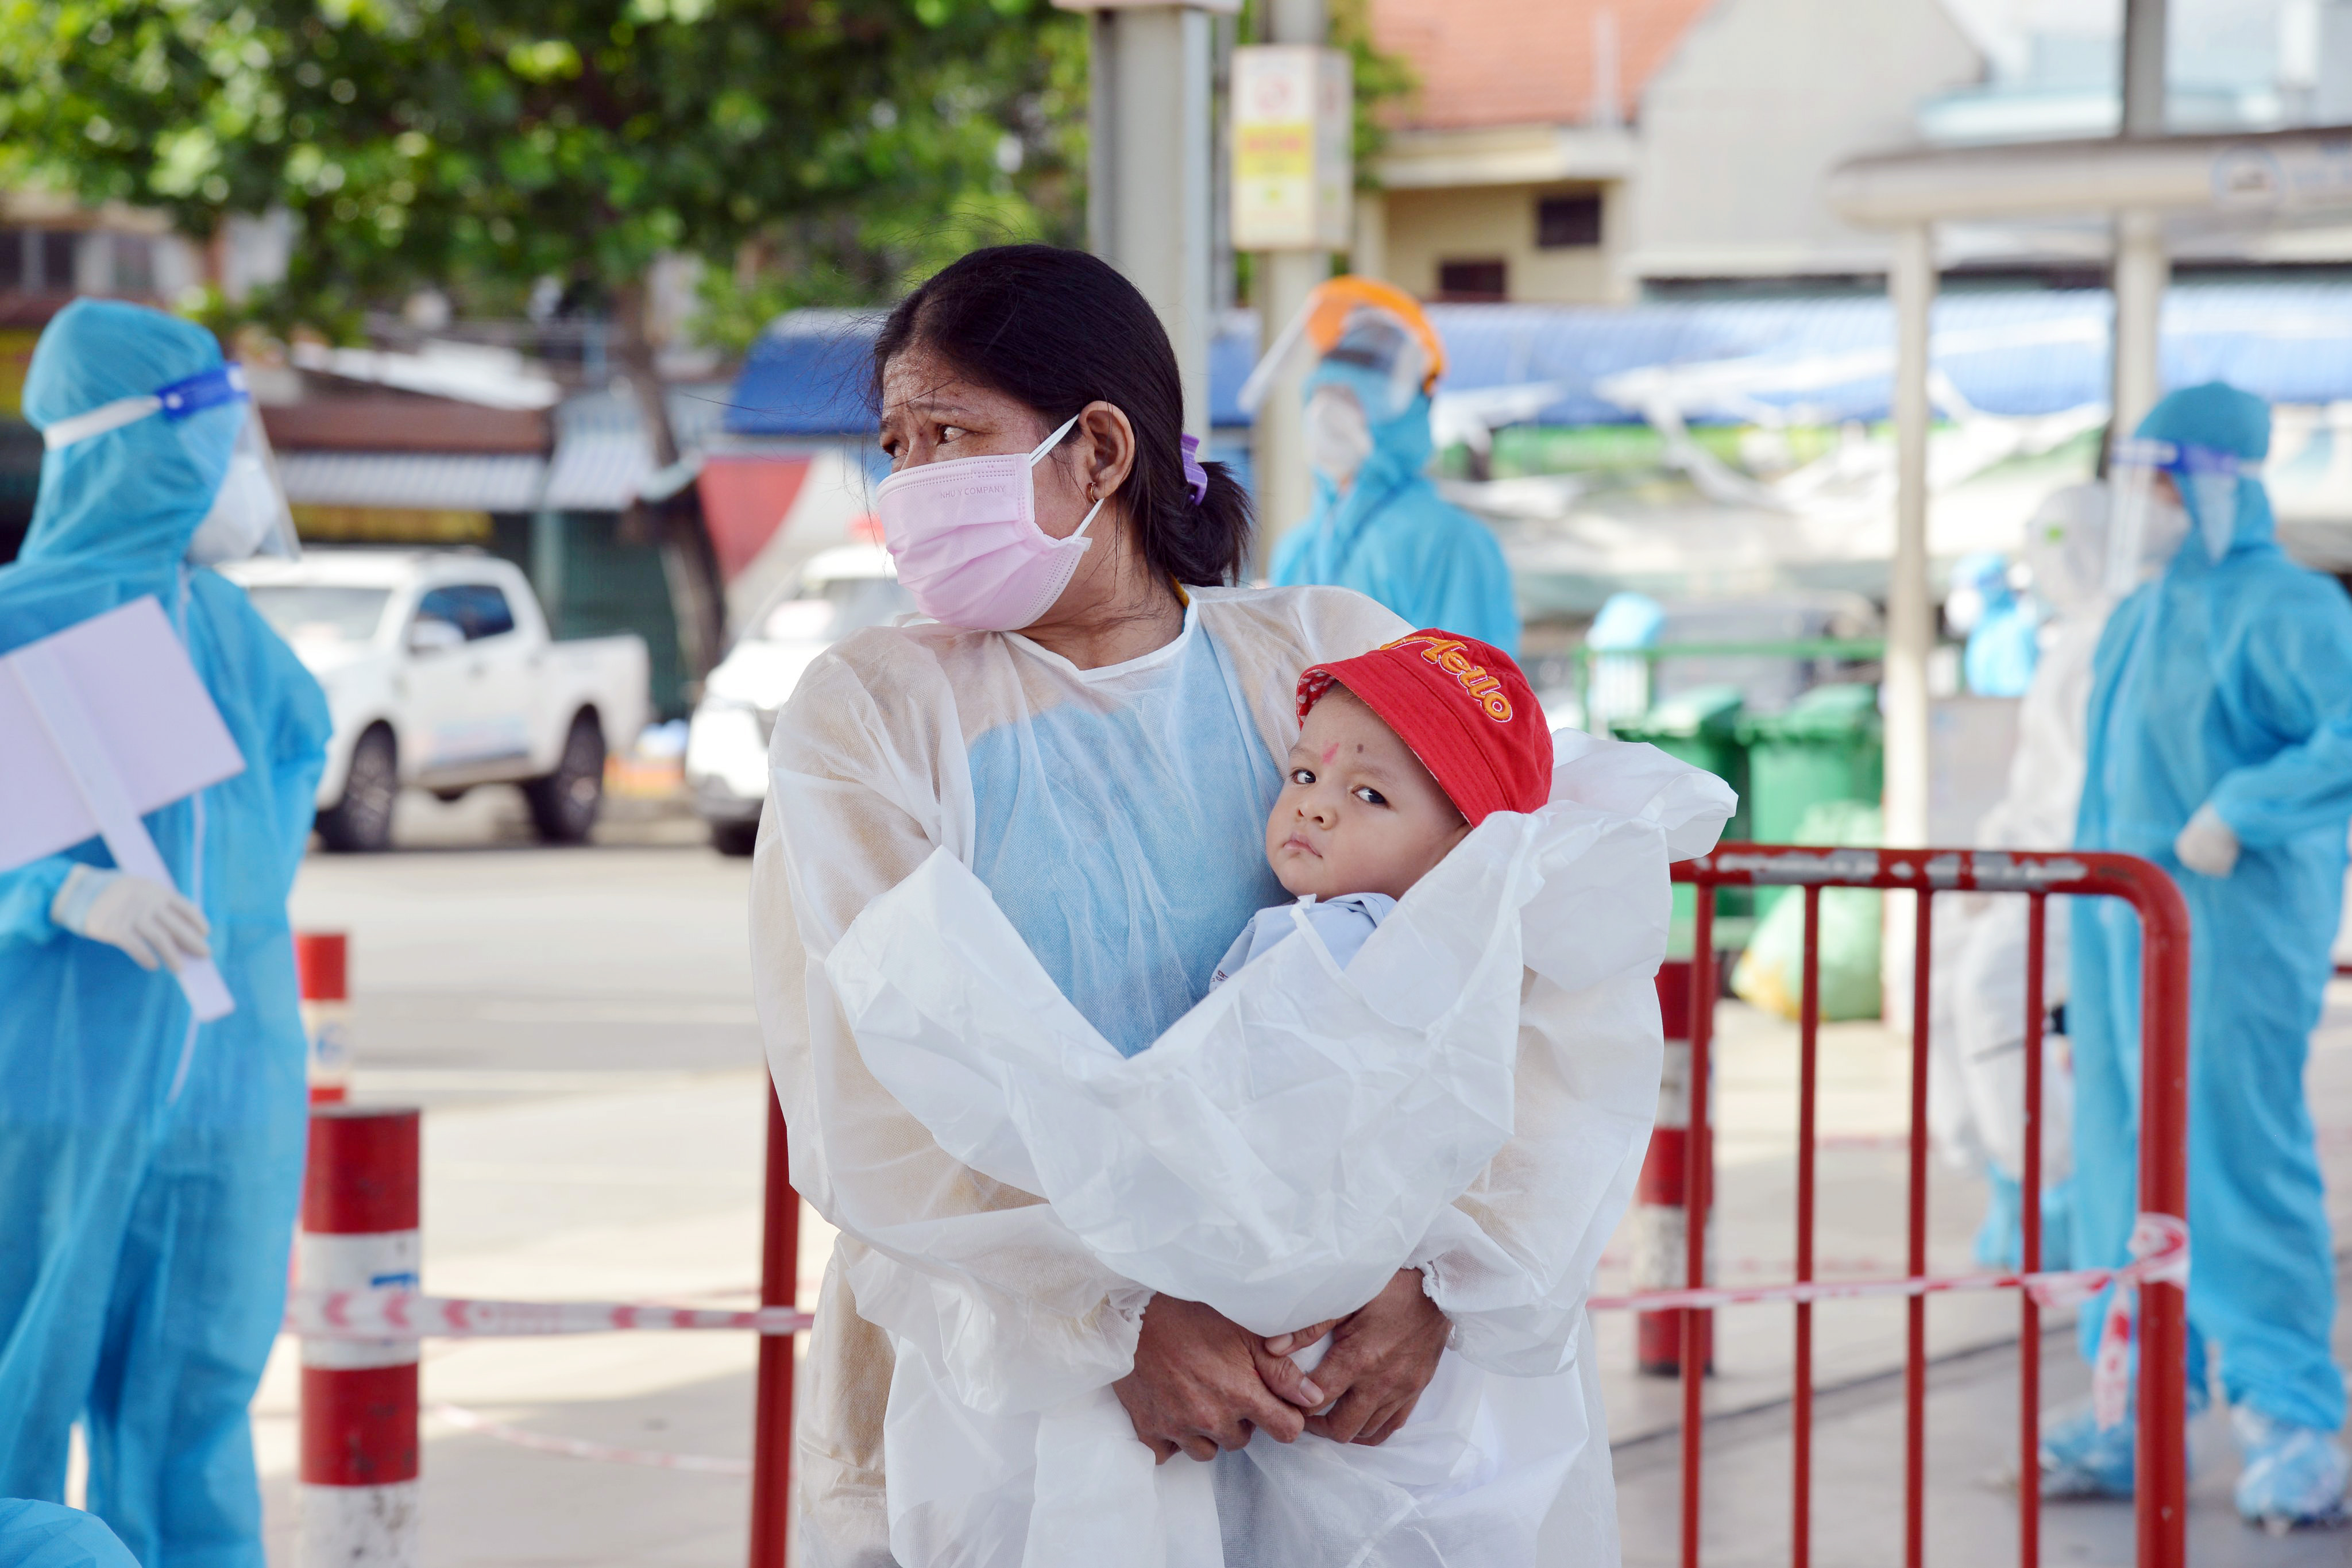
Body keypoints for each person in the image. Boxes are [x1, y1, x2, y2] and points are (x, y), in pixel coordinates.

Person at [751, 245, 1697, 1567]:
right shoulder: (873, 718)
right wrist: (1113, 1322)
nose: (910, 486)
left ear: (1097, 450)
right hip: (1019, 1375)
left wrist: (1447, 1279)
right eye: (896, 444)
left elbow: (1522, 973)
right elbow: (883, 1092)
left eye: (952, 435)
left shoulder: (1321, 661)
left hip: (1344, 1377)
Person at [0, 300, 329, 1563]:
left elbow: (287, 787)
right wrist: (61, 895)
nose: (237, 470)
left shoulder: (234, 637)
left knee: (194, 1410)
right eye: (215, 435)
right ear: (145, 445)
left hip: (234, 1088)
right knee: (18, 1399)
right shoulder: (22, 620)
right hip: (54, 1091)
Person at [2040, 383, 2351, 1530]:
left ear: (2219, 481)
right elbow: (2103, 789)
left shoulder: (2289, 607)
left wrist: (2245, 807)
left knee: (2231, 1160)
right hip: (2123, 935)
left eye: (2163, 481)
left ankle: (2290, 1419)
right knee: (2120, 1170)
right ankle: (2133, 1406)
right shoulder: (2138, 613)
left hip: (2232, 932)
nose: (2147, 504)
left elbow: (2345, 734)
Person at [1211, 631, 1549, 987]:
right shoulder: (1444, 960)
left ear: (1462, 849)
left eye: (1370, 795)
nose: (1312, 806)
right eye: (1305, 775)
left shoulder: (1334, 948)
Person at [1252, 278, 1520, 655]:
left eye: (1351, 397)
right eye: (1324, 393)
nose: (1327, 414)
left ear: (1406, 414)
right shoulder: (1299, 548)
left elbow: (1475, 700)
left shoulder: (1450, 544)